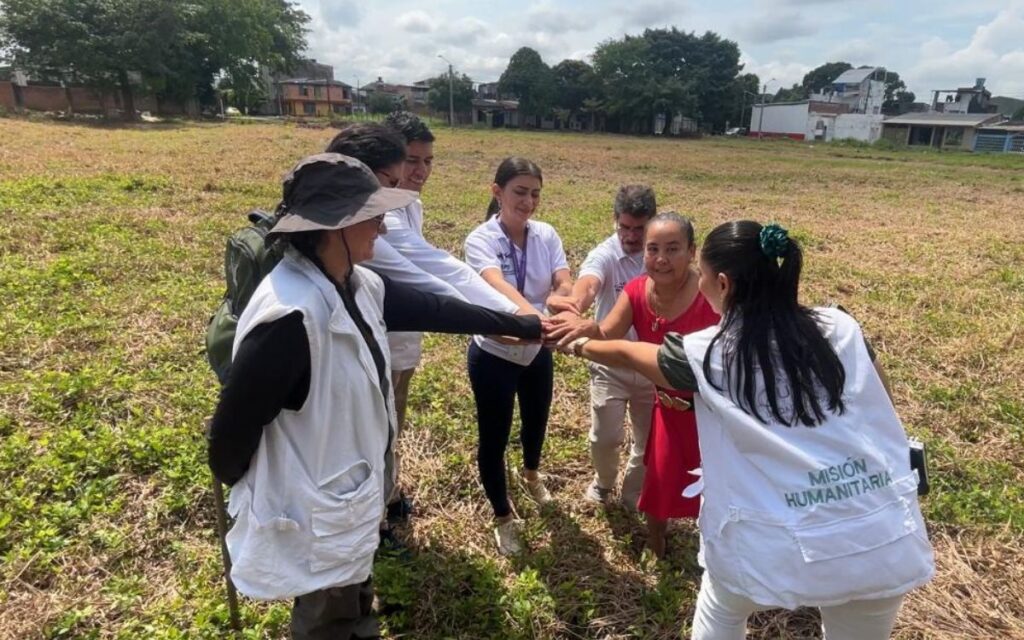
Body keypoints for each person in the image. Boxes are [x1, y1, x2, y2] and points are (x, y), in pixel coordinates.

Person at [207, 153, 542, 639]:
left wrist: (522, 325)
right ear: (335, 225)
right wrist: (281, 491)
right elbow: (228, 440)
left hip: (347, 498)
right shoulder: (289, 318)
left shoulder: (355, 282)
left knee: (352, 597)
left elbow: (435, 309)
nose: (382, 230)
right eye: (373, 216)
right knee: (329, 620)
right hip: (315, 512)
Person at [561, 220, 935, 639]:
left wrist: (575, 343)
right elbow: (882, 402)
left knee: (721, 613)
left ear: (722, 283)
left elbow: (630, 354)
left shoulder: (710, 351)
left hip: (768, 548)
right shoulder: (841, 326)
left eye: (700, 276)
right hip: (882, 538)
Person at [549, 213, 719, 557]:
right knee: (657, 480)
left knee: (718, 486)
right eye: (653, 249)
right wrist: (581, 328)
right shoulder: (637, 290)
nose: (661, 259)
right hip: (667, 409)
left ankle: (715, 549)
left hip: (710, 413)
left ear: (691, 252)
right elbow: (607, 332)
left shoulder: (710, 296)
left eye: (673, 249)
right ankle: (657, 548)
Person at [463, 156, 574, 555]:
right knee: (493, 437)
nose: (528, 202)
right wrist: (536, 320)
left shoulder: (546, 235)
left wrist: (562, 301)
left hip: (536, 353)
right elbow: (495, 286)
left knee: (536, 421)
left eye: (535, 194)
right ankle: (503, 517)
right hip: (494, 353)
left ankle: (530, 474)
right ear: (497, 192)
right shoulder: (481, 240)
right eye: (519, 192)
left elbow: (563, 280)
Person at [546, 185, 658, 510]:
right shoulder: (606, 253)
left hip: (652, 365)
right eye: (625, 227)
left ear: (652, 223)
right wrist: (575, 307)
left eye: (639, 228)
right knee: (605, 437)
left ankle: (633, 494)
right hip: (610, 363)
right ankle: (604, 482)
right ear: (615, 222)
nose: (632, 236)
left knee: (647, 441)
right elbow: (589, 284)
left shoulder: (660, 257)